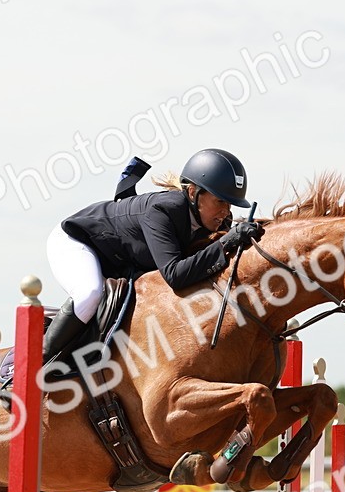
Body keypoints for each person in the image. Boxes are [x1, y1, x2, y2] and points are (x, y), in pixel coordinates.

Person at [37, 148, 265, 367]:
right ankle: (35, 363)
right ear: (193, 193)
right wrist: (226, 242)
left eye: (230, 204)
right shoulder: (163, 210)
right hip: (76, 241)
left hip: (116, 259)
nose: (226, 211)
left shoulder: (215, 219)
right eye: (220, 201)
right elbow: (175, 275)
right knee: (90, 294)